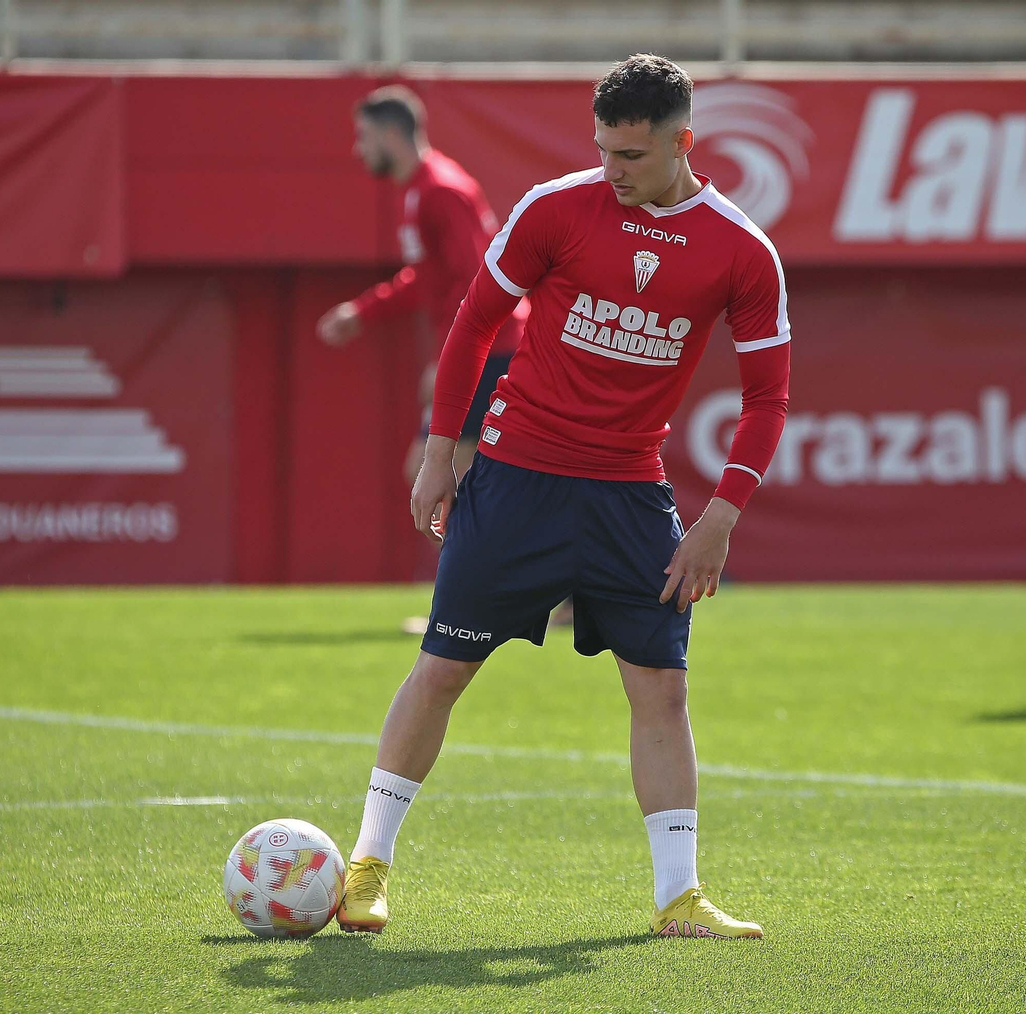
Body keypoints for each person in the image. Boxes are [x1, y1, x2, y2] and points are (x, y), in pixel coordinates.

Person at [337, 54, 791, 939]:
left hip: (630, 493)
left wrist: (720, 520)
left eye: (631, 155)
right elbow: (472, 325)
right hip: (515, 478)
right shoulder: (553, 208)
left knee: (661, 689)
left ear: (682, 142)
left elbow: (768, 398)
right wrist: (439, 458)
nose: (613, 170)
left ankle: (679, 898)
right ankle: (367, 868)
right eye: (604, 150)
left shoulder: (741, 248)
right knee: (443, 669)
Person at [317, 85, 526, 486]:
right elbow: (429, 276)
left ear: (391, 135)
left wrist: (452, 359)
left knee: (438, 480)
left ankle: (492, 550)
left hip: (490, 351)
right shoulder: (419, 189)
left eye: (364, 136)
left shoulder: (441, 190)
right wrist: (362, 311)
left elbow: (475, 281)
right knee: (441, 482)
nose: (358, 150)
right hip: (480, 349)